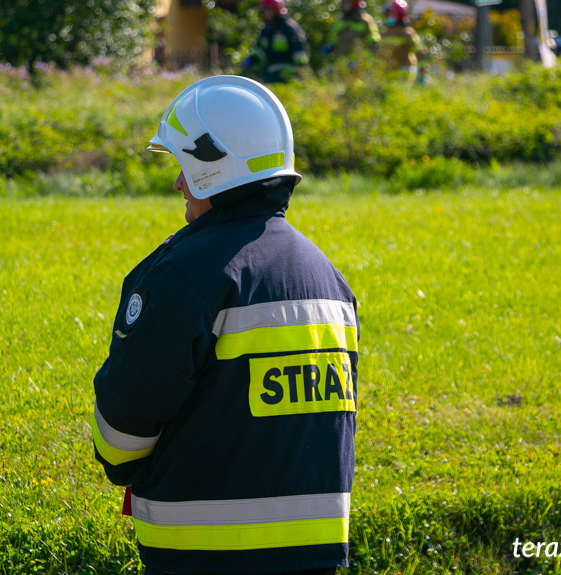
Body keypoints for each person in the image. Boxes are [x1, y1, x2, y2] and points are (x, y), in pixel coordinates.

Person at [91, 75, 360, 575]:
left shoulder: (183, 275)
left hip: (202, 556)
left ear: (213, 169)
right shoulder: (328, 278)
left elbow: (120, 437)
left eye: (184, 168)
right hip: (316, 556)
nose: (177, 183)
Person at [243, 0, 310, 83]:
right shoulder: (266, 30)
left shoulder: (289, 28)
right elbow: (260, 52)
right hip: (270, 75)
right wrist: (251, 60)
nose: (263, 13)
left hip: (288, 75)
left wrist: (299, 71)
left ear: (275, 10)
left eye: (266, 10)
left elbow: (299, 54)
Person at [380, 0, 424, 81]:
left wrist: (423, 73)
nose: (389, 16)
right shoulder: (384, 33)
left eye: (392, 14)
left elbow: (420, 52)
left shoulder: (407, 32)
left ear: (400, 14)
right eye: (387, 14)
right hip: (388, 72)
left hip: (404, 72)